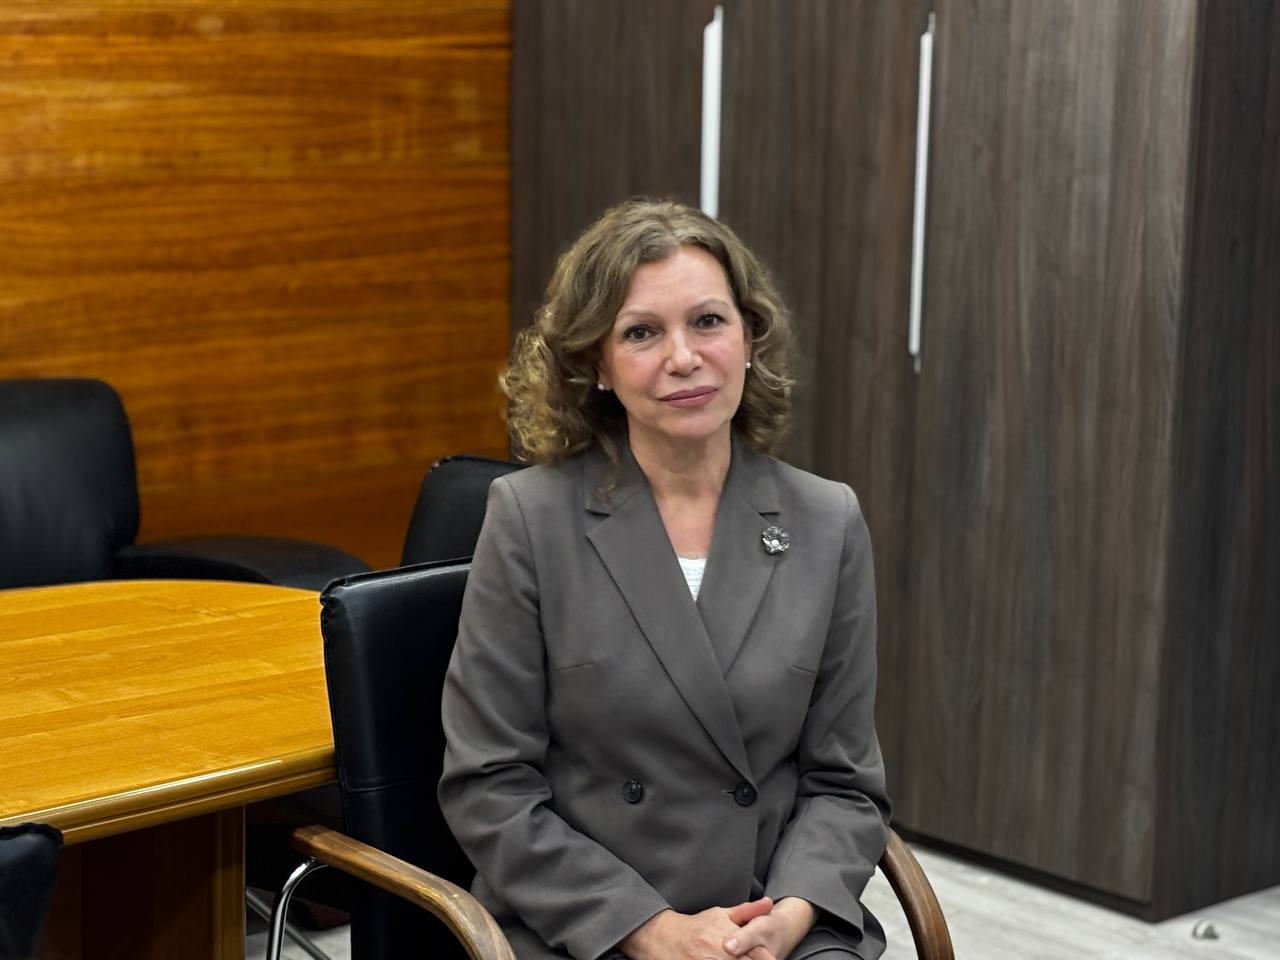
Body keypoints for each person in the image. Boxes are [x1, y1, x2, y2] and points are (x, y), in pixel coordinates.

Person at [439, 198, 890, 960]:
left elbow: (844, 783)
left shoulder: (827, 520)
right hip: (589, 925)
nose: (683, 357)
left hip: (771, 918)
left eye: (708, 321)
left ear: (750, 338)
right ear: (597, 365)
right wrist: (651, 931)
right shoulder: (529, 519)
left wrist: (791, 914)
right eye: (641, 333)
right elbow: (489, 786)